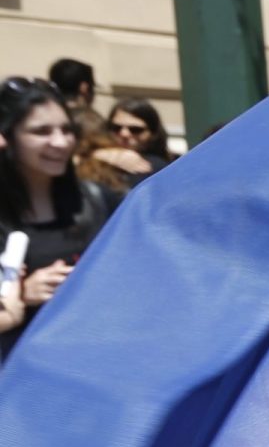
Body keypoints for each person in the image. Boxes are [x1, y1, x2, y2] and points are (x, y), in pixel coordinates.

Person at [0, 77, 121, 357]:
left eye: (67, 130)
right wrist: (23, 293)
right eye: (41, 131)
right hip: (20, 371)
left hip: (96, 357)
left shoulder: (98, 199)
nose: (60, 142)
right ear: (9, 137)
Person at [107, 99, 172, 172]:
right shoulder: (97, 158)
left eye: (135, 130)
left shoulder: (161, 168)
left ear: (153, 133)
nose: (124, 134)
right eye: (116, 128)